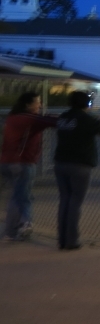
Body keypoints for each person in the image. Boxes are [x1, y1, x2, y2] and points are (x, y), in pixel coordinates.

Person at [53, 91, 100, 250]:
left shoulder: (63, 118)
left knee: (64, 199)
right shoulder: (86, 119)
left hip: (61, 162)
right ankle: (72, 240)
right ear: (86, 104)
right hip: (80, 165)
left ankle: (62, 239)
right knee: (75, 202)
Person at [1, 92, 58, 240]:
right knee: (24, 197)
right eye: (37, 102)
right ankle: (25, 223)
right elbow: (52, 122)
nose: (40, 105)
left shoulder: (12, 118)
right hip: (23, 163)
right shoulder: (30, 119)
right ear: (28, 105)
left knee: (17, 195)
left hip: (6, 162)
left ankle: (11, 229)